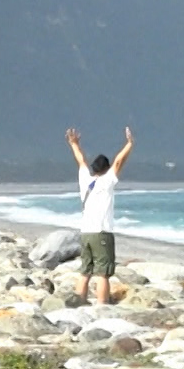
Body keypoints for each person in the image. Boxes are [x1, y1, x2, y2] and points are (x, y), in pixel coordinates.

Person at [65, 126, 133, 305]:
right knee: (103, 274)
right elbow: (119, 162)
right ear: (106, 169)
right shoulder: (107, 181)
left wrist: (74, 144)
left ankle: (79, 302)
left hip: (86, 232)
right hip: (101, 232)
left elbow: (81, 161)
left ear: (94, 168)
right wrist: (129, 144)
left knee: (85, 271)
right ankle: (102, 305)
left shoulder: (85, 180)